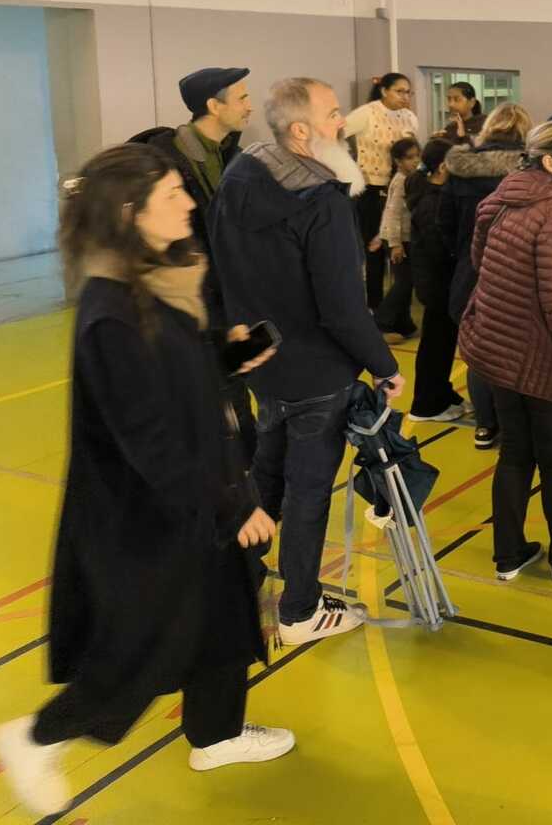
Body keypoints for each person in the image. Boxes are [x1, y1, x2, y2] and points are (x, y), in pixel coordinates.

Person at [0, 146, 291, 816]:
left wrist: (228, 356)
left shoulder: (154, 284)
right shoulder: (111, 315)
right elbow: (148, 437)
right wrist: (230, 507)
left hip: (195, 494)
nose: (190, 204)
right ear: (130, 212)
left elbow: (175, 376)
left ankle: (216, 734)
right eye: (173, 194)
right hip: (148, 516)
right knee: (149, 640)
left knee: (223, 613)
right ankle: (39, 737)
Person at [209, 77, 402, 644]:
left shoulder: (240, 175)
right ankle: (299, 609)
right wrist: (384, 365)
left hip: (262, 362)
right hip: (318, 372)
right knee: (309, 491)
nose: (342, 123)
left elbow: (219, 266)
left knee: (266, 476)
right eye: (333, 114)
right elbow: (342, 307)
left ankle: (236, 584)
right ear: (300, 130)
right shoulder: (322, 201)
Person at [458, 122, 552, 582]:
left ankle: (508, 557)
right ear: (548, 162)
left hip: (503, 356)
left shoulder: (500, 202)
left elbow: (482, 264)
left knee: (515, 456)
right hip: (549, 366)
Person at [129, 65, 258, 461]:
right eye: (242, 98)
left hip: (229, 301)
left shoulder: (232, 156)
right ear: (213, 106)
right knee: (222, 405)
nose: (249, 106)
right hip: (192, 304)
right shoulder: (166, 162)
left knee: (238, 393)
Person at [440, 102, 530, 449]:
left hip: (470, 269)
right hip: (517, 272)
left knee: (477, 351)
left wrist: (463, 253)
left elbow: (444, 223)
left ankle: (484, 425)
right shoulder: (529, 169)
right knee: (515, 351)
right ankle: (513, 425)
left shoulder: (461, 167)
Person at [341, 73, 419, 313]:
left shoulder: (409, 117)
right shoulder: (367, 113)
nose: (405, 97)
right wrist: (347, 166)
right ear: (384, 90)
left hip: (403, 186)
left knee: (401, 249)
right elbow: (336, 133)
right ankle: (373, 307)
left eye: (408, 92)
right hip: (373, 189)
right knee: (374, 251)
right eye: (399, 91)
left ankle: (399, 313)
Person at [403, 138, 468, 425]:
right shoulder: (432, 202)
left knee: (442, 343)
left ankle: (441, 392)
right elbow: (439, 248)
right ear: (443, 167)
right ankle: (426, 404)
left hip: (440, 283)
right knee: (435, 346)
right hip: (438, 284)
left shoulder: (437, 194)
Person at [374, 136, 423, 338]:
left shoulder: (412, 178)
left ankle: (403, 323)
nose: (415, 161)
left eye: (417, 156)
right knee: (404, 283)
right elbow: (393, 214)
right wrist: (395, 244)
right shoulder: (401, 181)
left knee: (407, 282)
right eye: (410, 157)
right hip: (397, 239)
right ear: (398, 161)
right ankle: (381, 321)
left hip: (406, 239)